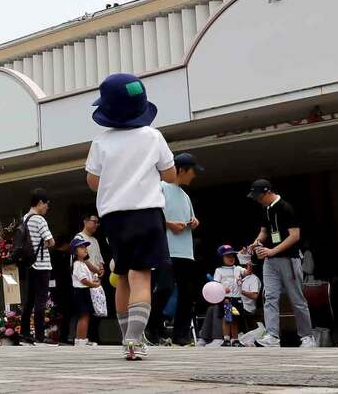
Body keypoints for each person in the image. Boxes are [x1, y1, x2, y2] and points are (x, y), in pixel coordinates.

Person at [85, 73, 176, 361]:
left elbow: (92, 181)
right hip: (147, 212)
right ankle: (135, 340)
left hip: (113, 217)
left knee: (122, 275)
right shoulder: (153, 136)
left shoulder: (100, 142)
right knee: (142, 277)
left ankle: (127, 337)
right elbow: (171, 174)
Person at [247, 179, 315, 348]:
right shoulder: (266, 209)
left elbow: (294, 236)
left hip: (289, 259)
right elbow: (264, 231)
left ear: (268, 192)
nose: (257, 199)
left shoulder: (286, 208)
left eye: (259, 196)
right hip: (270, 261)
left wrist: (272, 251)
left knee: (297, 298)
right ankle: (272, 336)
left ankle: (307, 336)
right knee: (270, 297)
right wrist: (255, 244)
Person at [148, 152, 203, 346]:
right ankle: (152, 327)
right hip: (166, 250)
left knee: (188, 293)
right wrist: (168, 224)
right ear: (181, 170)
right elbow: (151, 215)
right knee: (164, 288)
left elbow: (191, 218)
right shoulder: (160, 188)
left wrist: (194, 222)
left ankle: (181, 334)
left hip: (186, 252)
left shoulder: (186, 195)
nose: (194, 175)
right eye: (192, 171)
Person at [20, 188, 55, 346]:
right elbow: (50, 241)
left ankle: (25, 334)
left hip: (29, 264)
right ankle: (40, 336)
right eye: (46, 204)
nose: (47, 208)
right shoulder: (39, 220)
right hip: (41, 265)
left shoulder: (25, 218)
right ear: (40, 202)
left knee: (29, 301)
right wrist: (46, 244)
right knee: (41, 300)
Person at [72, 211, 104, 344]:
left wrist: (101, 270)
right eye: (94, 221)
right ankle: (81, 340)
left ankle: (88, 338)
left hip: (94, 282)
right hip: (86, 285)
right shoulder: (79, 238)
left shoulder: (95, 240)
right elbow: (86, 260)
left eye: (98, 222)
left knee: (94, 312)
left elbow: (99, 260)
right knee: (84, 314)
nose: (96, 225)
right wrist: (95, 272)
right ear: (85, 221)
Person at [213, 245, 245, 347]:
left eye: (232, 256)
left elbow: (248, 272)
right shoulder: (219, 270)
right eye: (227, 256)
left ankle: (235, 339)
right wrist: (222, 289)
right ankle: (226, 339)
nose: (231, 258)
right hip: (226, 298)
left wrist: (248, 263)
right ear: (221, 258)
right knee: (227, 318)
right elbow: (215, 285)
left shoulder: (238, 268)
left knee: (235, 318)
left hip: (237, 298)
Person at [71, 237, 101, 346]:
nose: (85, 249)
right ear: (74, 251)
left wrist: (94, 280)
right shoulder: (77, 264)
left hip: (84, 291)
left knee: (86, 316)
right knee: (84, 316)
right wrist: (95, 285)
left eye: (85, 247)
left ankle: (82, 339)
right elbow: (83, 280)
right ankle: (81, 340)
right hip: (80, 292)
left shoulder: (83, 264)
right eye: (81, 247)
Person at [240, 258, 261, 327]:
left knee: (229, 311)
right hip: (239, 305)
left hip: (247, 308)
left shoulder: (253, 279)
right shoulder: (241, 278)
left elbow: (255, 296)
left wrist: (240, 291)